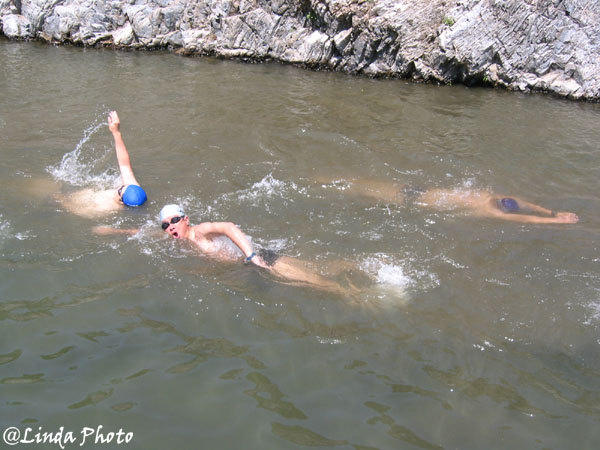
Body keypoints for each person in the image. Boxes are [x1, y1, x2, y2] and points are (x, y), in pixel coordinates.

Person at [156, 204, 358, 295]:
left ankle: (355, 296)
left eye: (174, 220)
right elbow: (148, 233)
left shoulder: (200, 231)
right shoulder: (181, 240)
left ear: (186, 219)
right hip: (255, 263)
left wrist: (252, 256)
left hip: (262, 259)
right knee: (320, 268)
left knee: (316, 283)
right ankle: (355, 266)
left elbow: (228, 227)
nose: (170, 226)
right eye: (165, 225)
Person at [316, 178, 579, 224]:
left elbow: (527, 216)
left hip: (414, 197)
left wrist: (555, 218)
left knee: (358, 189)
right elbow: (526, 211)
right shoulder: (494, 203)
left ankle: (320, 183)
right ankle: (321, 183)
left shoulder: (492, 205)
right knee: (359, 188)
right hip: (414, 196)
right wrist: (553, 214)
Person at [59, 111, 147, 218]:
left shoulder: (103, 209)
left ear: (121, 202)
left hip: (69, 201)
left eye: (120, 190)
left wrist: (60, 200)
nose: (120, 187)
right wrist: (116, 132)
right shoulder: (133, 189)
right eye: (124, 186)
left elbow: (74, 210)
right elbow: (124, 164)